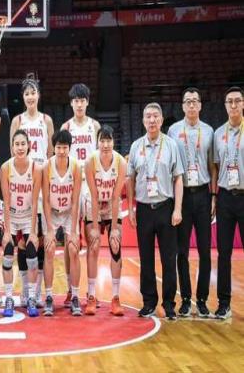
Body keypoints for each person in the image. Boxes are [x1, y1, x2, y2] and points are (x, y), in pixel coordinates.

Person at [127, 102, 183, 320]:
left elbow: (178, 178)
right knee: (146, 259)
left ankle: (169, 304)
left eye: (155, 116)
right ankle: (149, 302)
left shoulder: (171, 145)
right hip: (143, 209)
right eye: (148, 116)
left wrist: (177, 209)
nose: (151, 120)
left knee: (169, 259)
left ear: (161, 120)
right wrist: (131, 208)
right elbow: (130, 179)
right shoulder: (135, 146)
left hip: (165, 208)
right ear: (143, 121)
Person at [167, 87, 215, 318]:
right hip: (182, 195)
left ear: (201, 105)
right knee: (182, 251)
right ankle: (186, 298)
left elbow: (212, 165)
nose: (192, 105)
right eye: (188, 101)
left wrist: (213, 195)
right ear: (182, 106)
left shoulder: (209, 131)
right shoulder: (174, 130)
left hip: (203, 194)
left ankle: (202, 299)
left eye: (195, 101)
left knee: (205, 251)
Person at [9, 78, 54, 307]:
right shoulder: (17, 121)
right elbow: (12, 153)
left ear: (38, 95)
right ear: (23, 97)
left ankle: (39, 292)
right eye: (26, 93)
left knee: (41, 241)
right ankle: (25, 291)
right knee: (22, 242)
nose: (30, 96)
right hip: (23, 183)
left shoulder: (47, 120)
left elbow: (50, 153)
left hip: (42, 182)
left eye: (33, 92)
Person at [61, 83, 100, 305]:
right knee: (70, 240)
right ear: (71, 103)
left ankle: (92, 292)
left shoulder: (95, 126)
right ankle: (70, 289)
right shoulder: (66, 127)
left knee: (93, 238)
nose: (79, 104)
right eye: (75, 101)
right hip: (71, 184)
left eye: (82, 100)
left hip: (90, 184)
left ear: (87, 102)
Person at [83, 125, 127, 316]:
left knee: (116, 247)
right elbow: (93, 196)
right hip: (93, 203)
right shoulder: (90, 161)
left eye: (109, 140)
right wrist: (94, 226)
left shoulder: (120, 162)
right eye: (102, 140)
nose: (106, 144)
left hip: (111, 204)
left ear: (113, 142)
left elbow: (116, 197)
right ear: (97, 142)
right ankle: (92, 296)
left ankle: (115, 297)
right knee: (93, 246)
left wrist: (115, 228)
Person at [0, 130, 42, 317]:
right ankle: (9, 297)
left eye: (23, 144)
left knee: (32, 255)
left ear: (29, 146)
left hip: (27, 217)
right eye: (16, 144)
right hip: (11, 216)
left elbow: (35, 202)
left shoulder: (36, 168)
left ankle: (31, 297)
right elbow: (6, 200)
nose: (20, 147)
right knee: (8, 255)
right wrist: (6, 231)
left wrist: (32, 231)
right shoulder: (6, 168)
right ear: (12, 147)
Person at [42, 130, 82, 316]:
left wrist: (73, 231)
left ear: (69, 148)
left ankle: (75, 296)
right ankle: (49, 296)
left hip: (68, 212)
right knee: (49, 249)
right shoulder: (47, 167)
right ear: (53, 148)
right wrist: (50, 230)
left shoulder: (76, 167)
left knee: (73, 249)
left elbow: (75, 200)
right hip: (51, 211)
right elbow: (45, 200)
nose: (61, 151)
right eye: (58, 147)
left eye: (65, 147)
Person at [213, 86, 244, 320]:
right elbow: (215, 166)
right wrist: (214, 196)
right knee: (223, 253)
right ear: (225, 106)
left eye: (237, 101)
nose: (233, 105)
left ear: (243, 104)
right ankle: (224, 304)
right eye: (229, 102)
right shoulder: (218, 134)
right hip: (224, 197)